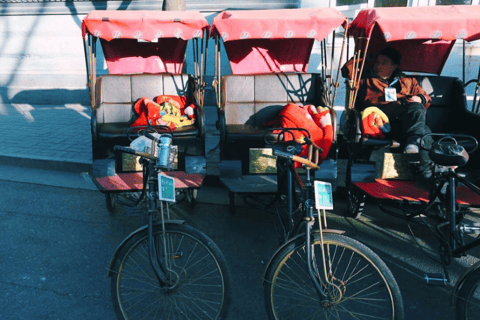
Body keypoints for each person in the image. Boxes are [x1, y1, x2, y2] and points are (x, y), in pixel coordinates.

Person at [352, 46, 434, 177]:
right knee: (424, 133)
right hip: (378, 126)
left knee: (418, 112)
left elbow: (427, 99)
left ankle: (422, 170)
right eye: (377, 62)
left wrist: (419, 98)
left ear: (395, 66)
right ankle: (427, 175)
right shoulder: (366, 80)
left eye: (384, 63)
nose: (378, 65)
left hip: (404, 126)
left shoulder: (408, 81)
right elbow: (347, 71)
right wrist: (363, 58)